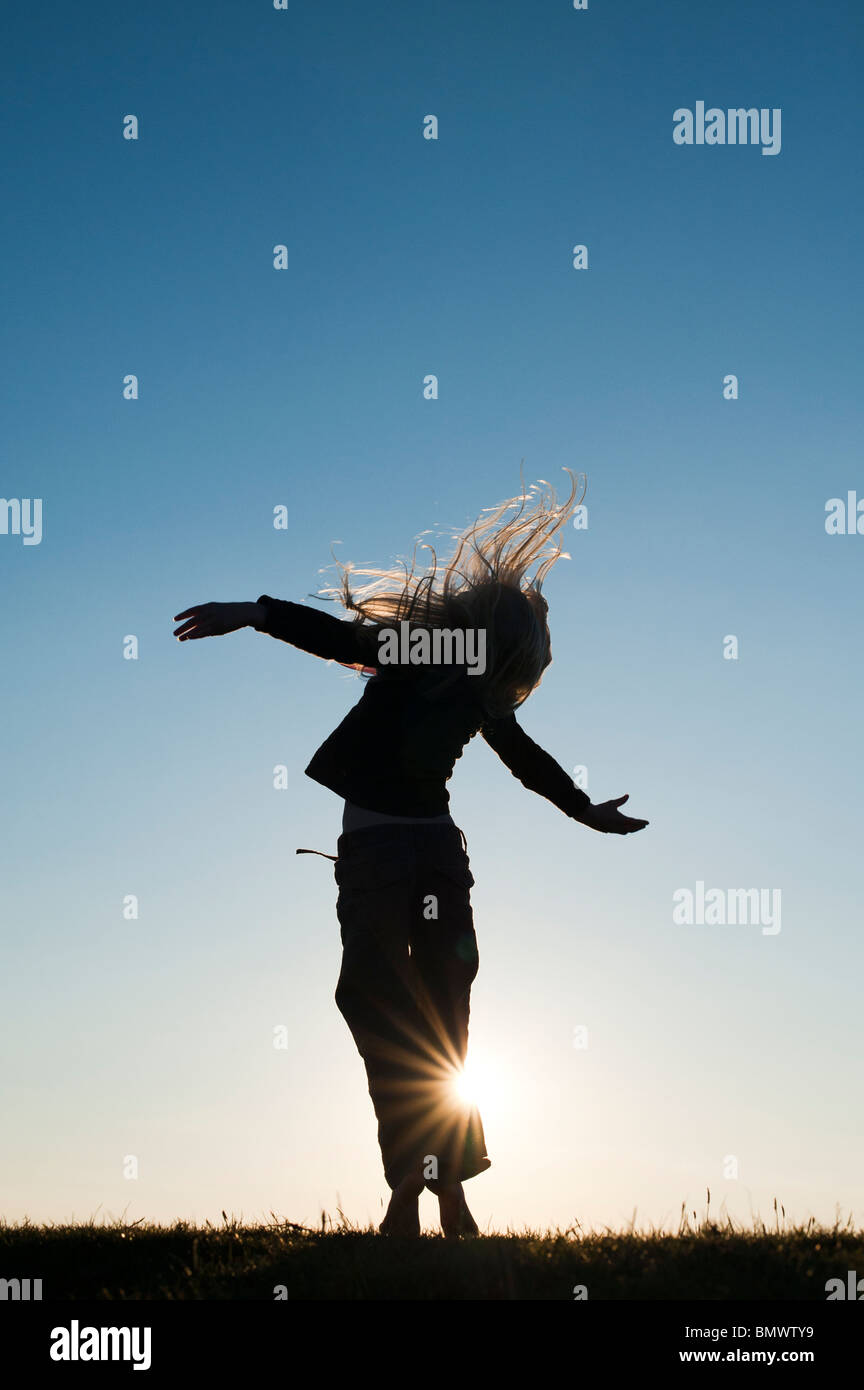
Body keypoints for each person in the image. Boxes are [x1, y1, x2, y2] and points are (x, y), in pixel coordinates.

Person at [173, 471, 648, 1238]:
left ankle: (418, 1192)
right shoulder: (450, 665)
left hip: (392, 852)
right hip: (427, 852)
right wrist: (255, 614)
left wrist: (583, 809)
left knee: (404, 1016)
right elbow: (347, 643)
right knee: (432, 1023)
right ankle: (436, 1190)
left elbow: (517, 751)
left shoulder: (464, 676)